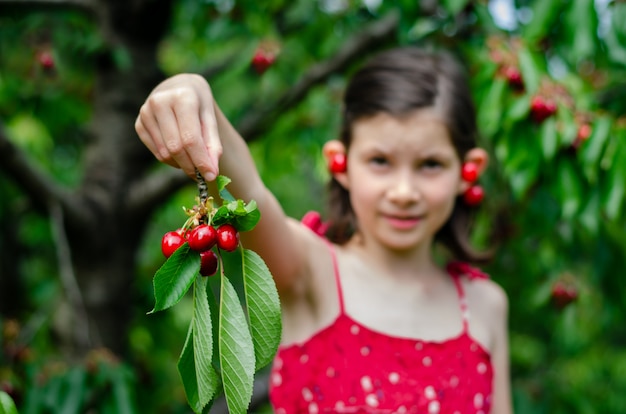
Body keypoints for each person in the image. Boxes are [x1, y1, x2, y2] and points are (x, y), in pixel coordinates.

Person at [135, 46, 512, 414]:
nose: (404, 192)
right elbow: (250, 191)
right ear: (340, 163)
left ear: (468, 170)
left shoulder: (485, 305)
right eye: (380, 161)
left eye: (430, 164)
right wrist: (190, 92)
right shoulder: (312, 271)